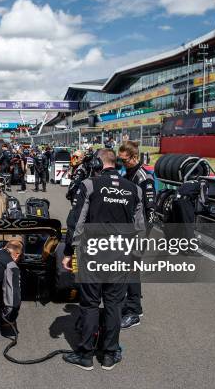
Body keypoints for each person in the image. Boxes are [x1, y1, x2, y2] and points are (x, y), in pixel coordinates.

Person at [61, 148, 144, 371]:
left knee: (89, 304)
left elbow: (76, 222)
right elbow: (140, 228)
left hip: (93, 253)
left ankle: (86, 355)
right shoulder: (134, 189)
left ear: (98, 163)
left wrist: (68, 252)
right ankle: (109, 355)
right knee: (114, 305)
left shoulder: (89, 184)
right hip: (120, 255)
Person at [117, 141, 156, 329]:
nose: (122, 163)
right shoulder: (128, 173)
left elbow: (151, 212)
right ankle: (131, 303)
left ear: (134, 157)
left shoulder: (143, 178)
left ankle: (134, 312)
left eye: (125, 160)